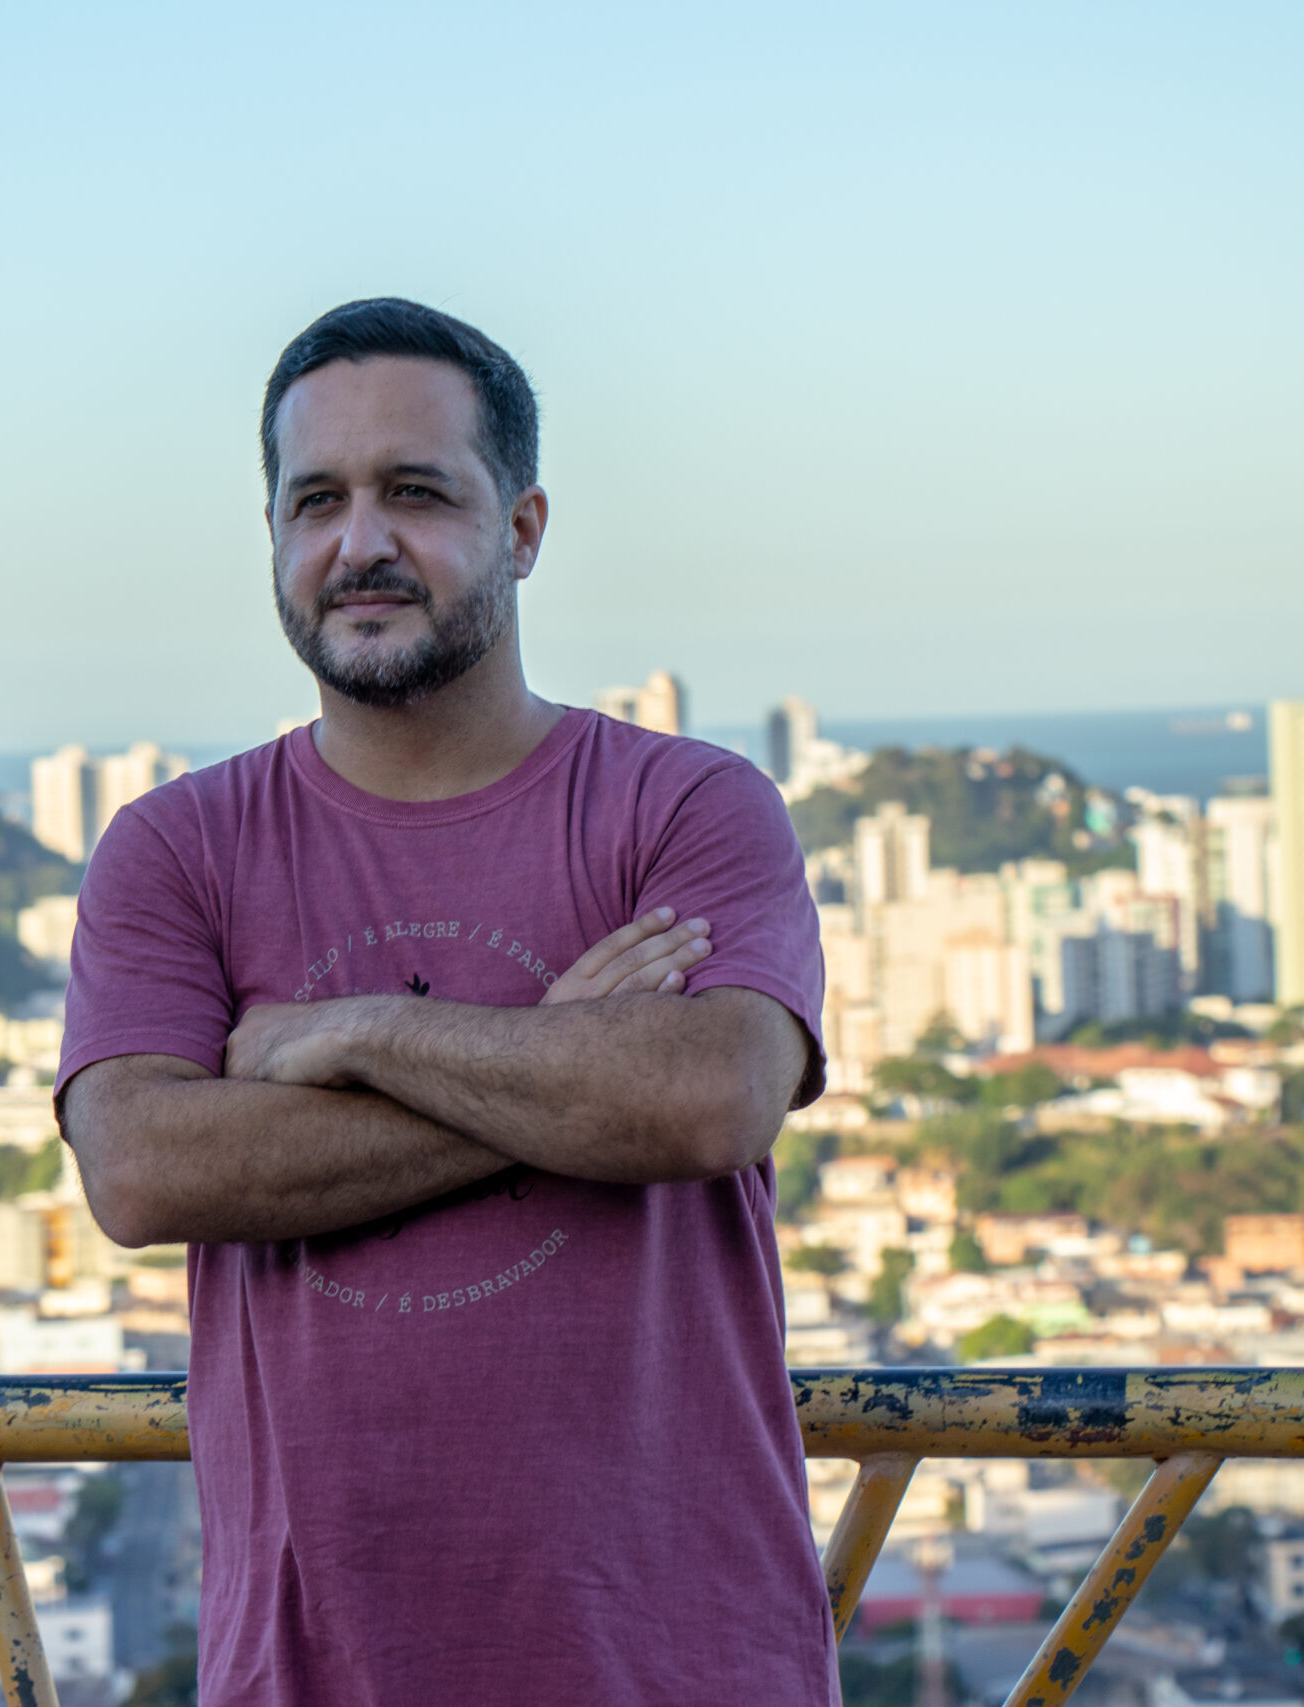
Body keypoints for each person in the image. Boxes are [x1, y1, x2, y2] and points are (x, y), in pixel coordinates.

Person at [59, 297, 836, 1704]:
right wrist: (568, 1066)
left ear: (523, 529)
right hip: (315, 1669)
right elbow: (145, 1168)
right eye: (316, 502)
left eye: (416, 493)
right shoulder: (178, 849)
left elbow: (711, 1098)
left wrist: (349, 1034)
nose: (359, 543)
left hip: (676, 1662)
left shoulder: (688, 808)